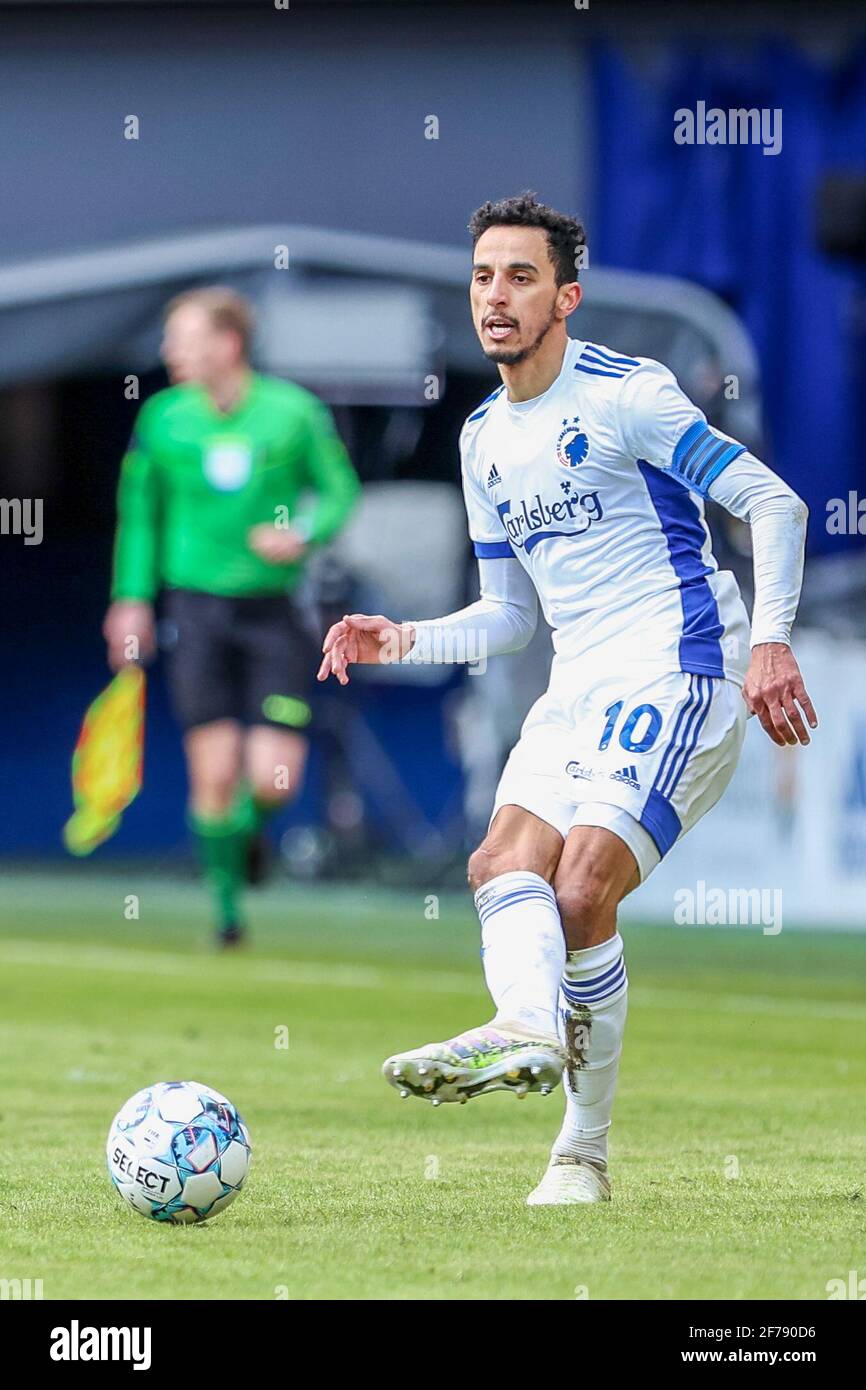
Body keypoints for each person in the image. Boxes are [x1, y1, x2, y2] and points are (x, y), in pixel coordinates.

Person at [318, 193, 815, 1206]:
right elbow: (507, 616)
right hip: (575, 683)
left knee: (581, 889)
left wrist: (769, 643)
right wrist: (405, 637)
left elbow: (773, 500)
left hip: (681, 669)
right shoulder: (480, 439)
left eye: (520, 277)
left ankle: (578, 1149)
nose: (495, 297)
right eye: (482, 277)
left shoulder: (628, 394)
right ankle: (523, 1030)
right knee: (498, 860)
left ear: (566, 297)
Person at [105, 287, 360, 947]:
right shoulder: (163, 419)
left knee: (275, 777)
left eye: (182, 338)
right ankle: (227, 915)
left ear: (227, 344)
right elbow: (140, 518)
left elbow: (337, 491)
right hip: (197, 610)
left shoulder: (291, 413)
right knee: (213, 773)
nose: (169, 352)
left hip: (274, 612)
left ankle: (246, 838)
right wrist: (130, 600)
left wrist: (301, 532)